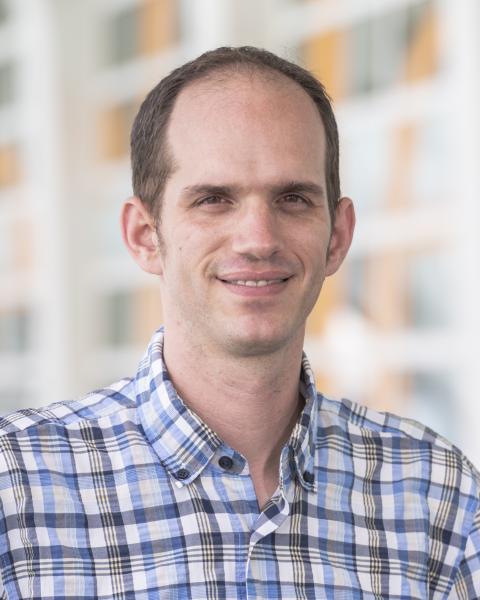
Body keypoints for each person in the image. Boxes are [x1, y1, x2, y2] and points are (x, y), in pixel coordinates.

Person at [0, 46, 479, 600]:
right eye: (213, 199)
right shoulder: (16, 489)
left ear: (338, 236)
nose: (258, 239)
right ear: (144, 236)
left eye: (293, 198)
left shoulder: (437, 495)